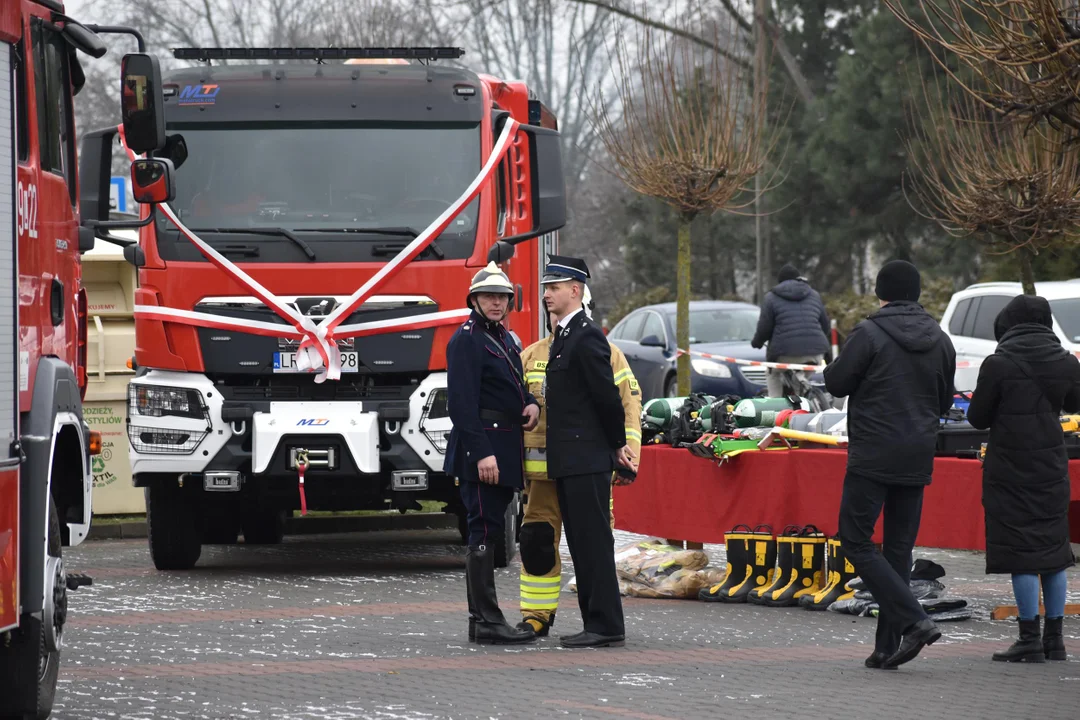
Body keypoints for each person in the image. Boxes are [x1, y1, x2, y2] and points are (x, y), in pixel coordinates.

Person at [823, 260, 956, 670]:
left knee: (856, 541)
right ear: (917, 293)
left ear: (880, 293)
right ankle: (886, 647)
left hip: (874, 452)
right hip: (917, 451)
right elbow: (946, 400)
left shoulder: (869, 333)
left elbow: (837, 382)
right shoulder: (941, 338)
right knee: (898, 548)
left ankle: (915, 620)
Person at [516, 283, 643, 638]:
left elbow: (626, 408)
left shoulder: (605, 350)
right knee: (536, 543)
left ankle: (602, 624)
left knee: (590, 545)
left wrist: (626, 458)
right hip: (541, 478)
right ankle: (536, 616)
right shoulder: (531, 355)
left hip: (584, 468)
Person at [966, 295, 1079, 663]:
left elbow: (978, 418)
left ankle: (1028, 638)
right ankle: (1056, 641)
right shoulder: (1065, 361)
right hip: (1050, 466)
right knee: (1054, 552)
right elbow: (1076, 403)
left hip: (1010, 469)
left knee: (1022, 554)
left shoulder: (998, 364)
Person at [540, 255, 636, 648]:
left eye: (554, 287)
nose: (547, 294)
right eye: (546, 287)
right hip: (571, 459)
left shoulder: (586, 336)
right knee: (582, 542)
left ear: (575, 291)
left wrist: (617, 446)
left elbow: (608, 400)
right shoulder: (565, 336)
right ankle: (595, 621)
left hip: (586, 459)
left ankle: (605, 624)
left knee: (593, 541)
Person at [444, 261, 540, 645]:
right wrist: (482, 454)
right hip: (484, 451)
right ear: (474, 300)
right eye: (489, 296)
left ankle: (484, 619)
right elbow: (462, 405)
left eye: (502, 297)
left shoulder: (500, 336)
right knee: (483, 531)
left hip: (503, 445)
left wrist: (529, 402)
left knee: (491, 528)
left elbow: (510, 383)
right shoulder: (467, 339)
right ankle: (485, 619)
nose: (497, 302)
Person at [751, 264, 832, 397]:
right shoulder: (814, 294)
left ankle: (776, 407)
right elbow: (825, 326)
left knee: (772, 374)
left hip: (785, 354)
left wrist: (757, 343)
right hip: (816, 352)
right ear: (798, 278)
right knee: (802, 377)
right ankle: (808, 398)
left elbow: (764, 328)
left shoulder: (771, 297)